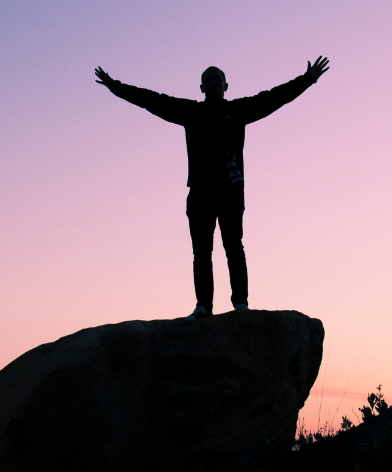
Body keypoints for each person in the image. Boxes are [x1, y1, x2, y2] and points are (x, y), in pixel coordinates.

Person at [95, 57, 330, 320]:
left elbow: (274, 98)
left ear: (226, 85)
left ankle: (240, 304)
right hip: (200, 192)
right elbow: (152, 100)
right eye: (208, 80)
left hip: (230, 191)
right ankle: (203, 306)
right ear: (201, 87)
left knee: (234, 247)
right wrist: (115, 86)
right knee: (201, 252)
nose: (213, 82)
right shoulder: (191, 112)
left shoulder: (239, 110)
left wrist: (307, 79)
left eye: (217, 78)